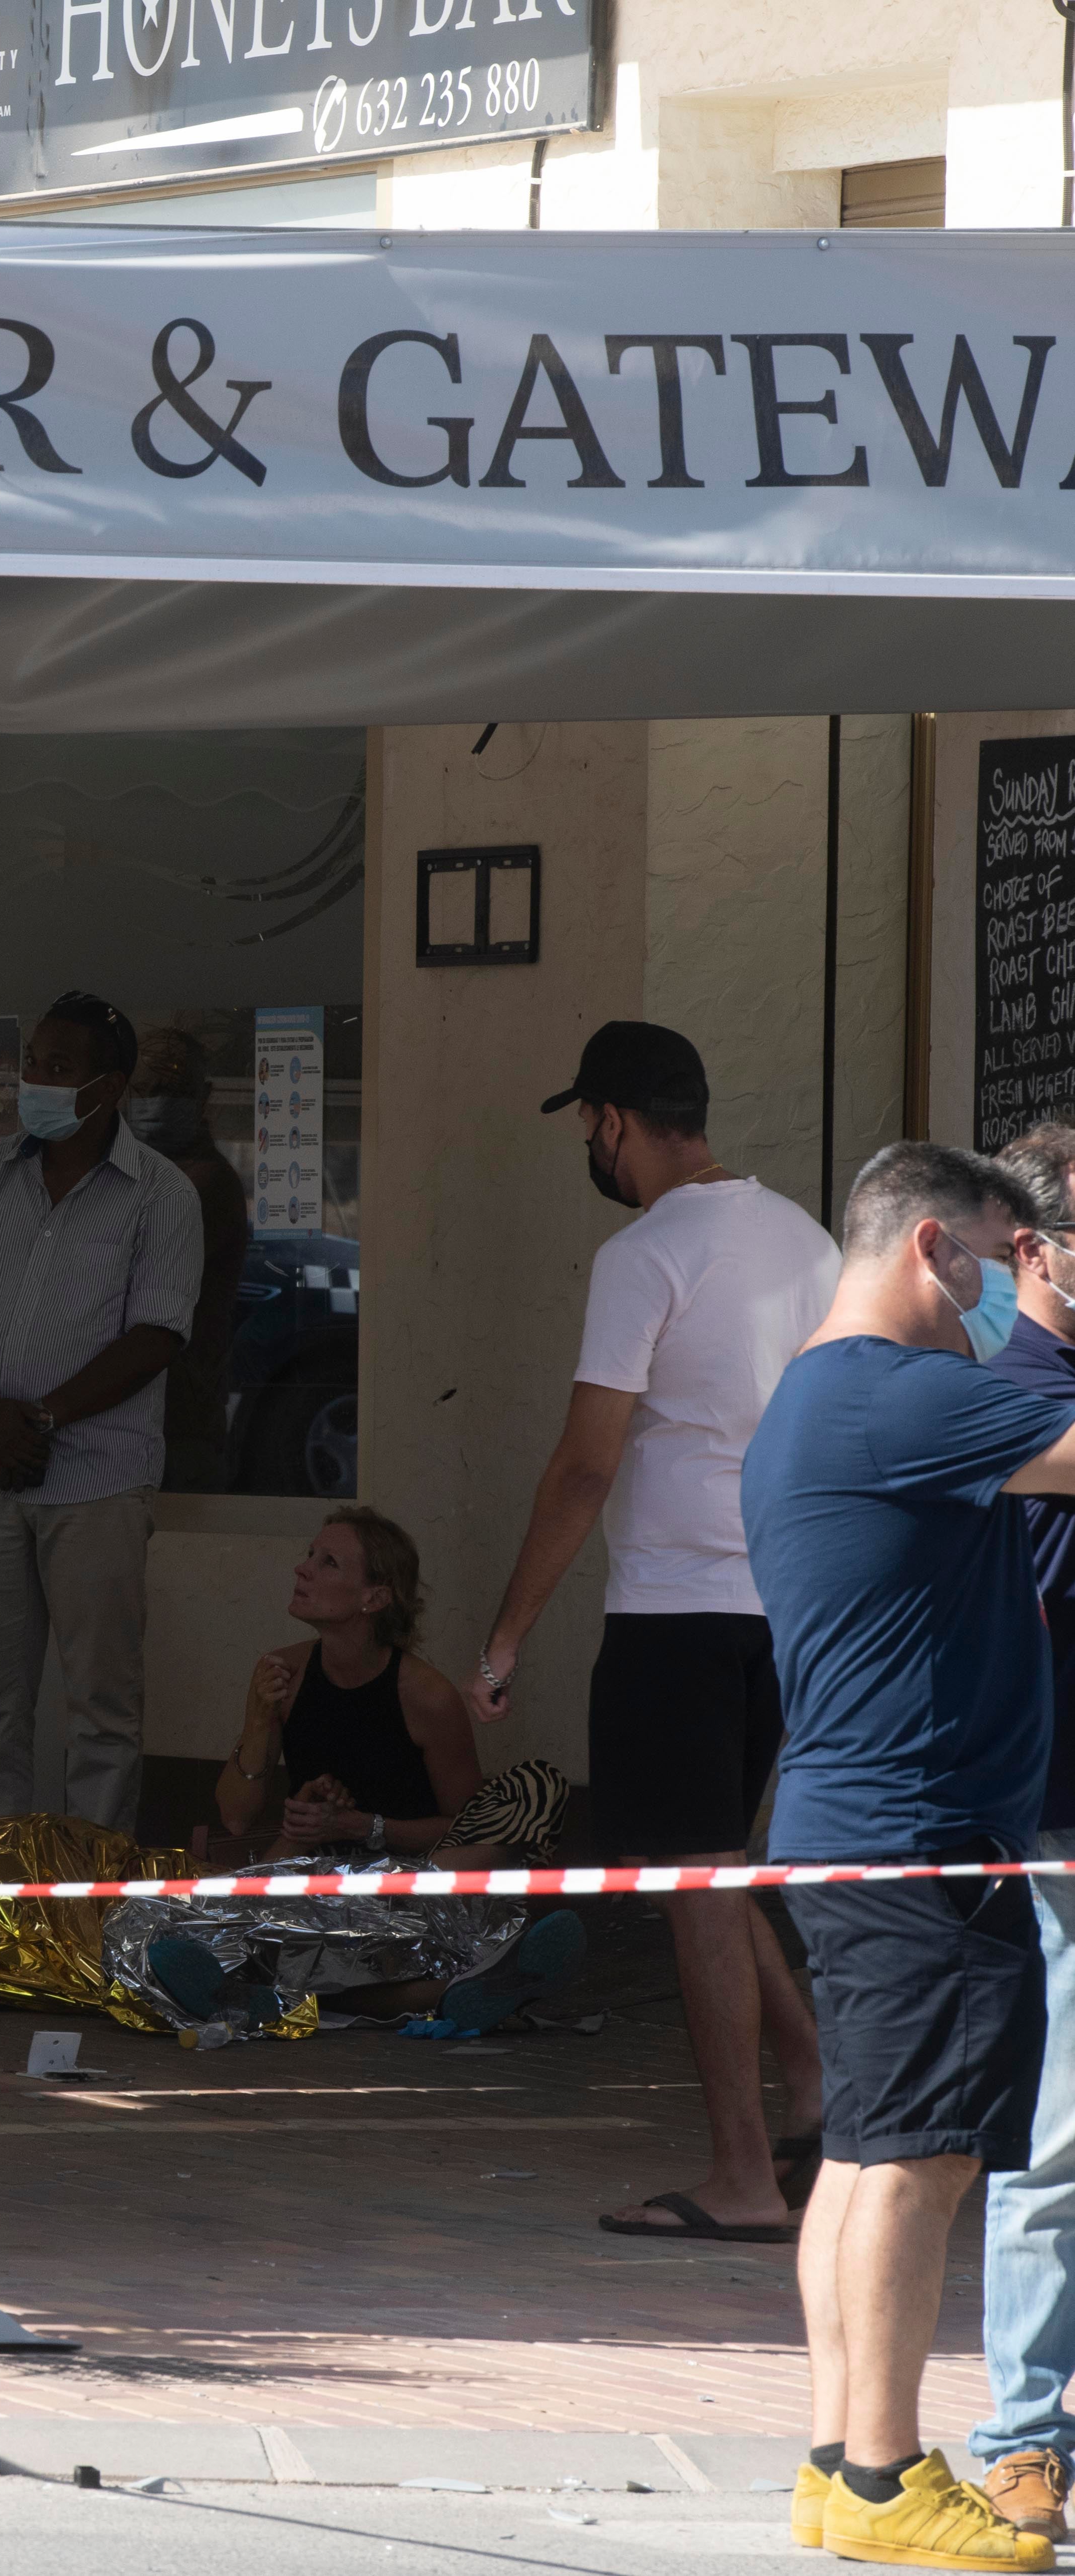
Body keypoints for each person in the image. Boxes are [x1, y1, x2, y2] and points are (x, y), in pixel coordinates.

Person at [745, 1140, 1075, 2568]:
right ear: (931, 1246)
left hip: (858, 1823)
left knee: (865, 2151)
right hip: (915, 1831)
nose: (1007, 1293)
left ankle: (837, 2455)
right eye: (1004, 1262)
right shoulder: (900, 1393)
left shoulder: (818, 1397)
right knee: (918, 2159)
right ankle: (883, 2475)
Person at [469, 1021, 835, 2247]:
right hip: (782, 1607)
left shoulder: (643, 1253)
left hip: (674, 1611)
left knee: (689, 1889)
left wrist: (506, 1633)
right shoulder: (807, 1239)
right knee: (716, 1869)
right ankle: (809, 2080)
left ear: (617, 1121)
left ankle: (739, 2172)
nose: (589, 1145)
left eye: (588, 1124)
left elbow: (583, 1466)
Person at [0, 990, 202, 1831]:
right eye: (32, 1063)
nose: (34, 1081)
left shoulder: (161, 1195)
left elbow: (158, 1336)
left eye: (59, 1067)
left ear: (110, 1087)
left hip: (99, 1485)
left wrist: (40, 1418)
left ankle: (88, 1921)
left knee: (102, 1716)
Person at [170, 1507, 584, 2027]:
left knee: (537, 1783)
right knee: (193, 1917)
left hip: (415, 1882)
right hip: (323, 1881)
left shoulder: (425, 1695)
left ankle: (272, 1988)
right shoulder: (285, 1672)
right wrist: (259, 1724)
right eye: (309, 1556)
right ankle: (463, 1988)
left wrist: (367, 1827)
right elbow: (235, 1816)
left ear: (375, 1597)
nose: (303, 1569)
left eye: (329, 1563)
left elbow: (467, 1826)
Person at [974, 1124, 1075, 2540]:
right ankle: (1018, 2433)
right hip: (1049, 1806)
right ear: (1030, 1252)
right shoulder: (1005, 1387)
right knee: (1051, 2138)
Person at [126, 1027, 251, 1493]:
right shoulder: (135, 1175)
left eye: (175, 1091)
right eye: (147, 1089)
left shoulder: (206, 1185)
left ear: (204, 1098)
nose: (157, 1102)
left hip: (179, 1433)